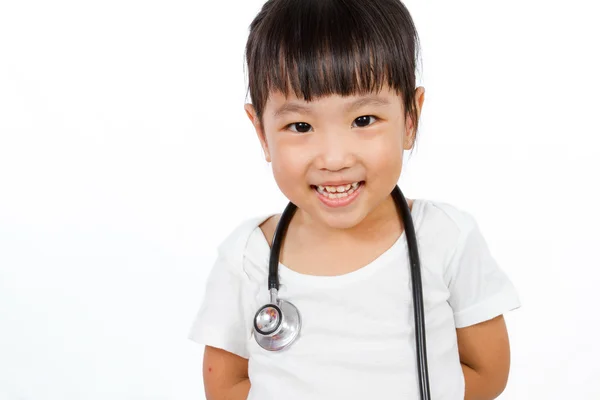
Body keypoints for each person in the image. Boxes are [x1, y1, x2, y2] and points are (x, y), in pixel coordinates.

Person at [188, 0, 521, 399]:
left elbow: (487, 370)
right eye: (300, 125)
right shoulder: (248, 257)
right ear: (262, 133)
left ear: (410, 120)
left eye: (363, 120)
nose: (334, 158)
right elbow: (224, 384)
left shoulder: (446, 239)